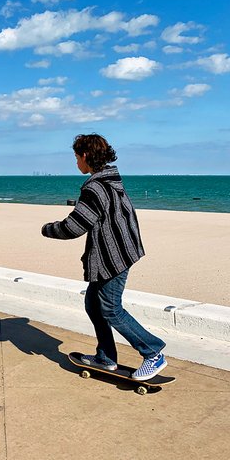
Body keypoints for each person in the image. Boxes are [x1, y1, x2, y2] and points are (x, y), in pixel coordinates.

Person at [41, 133, 167, 380]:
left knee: (110, 308)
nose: (76, 163)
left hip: (113, 258)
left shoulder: (95, 188)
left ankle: (153, 352)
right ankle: (106, 357)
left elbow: (74, 227)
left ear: (85, 156)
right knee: (93, 304)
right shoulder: (111, 180)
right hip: (119, 252)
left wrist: (48, 229)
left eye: (76, 157)